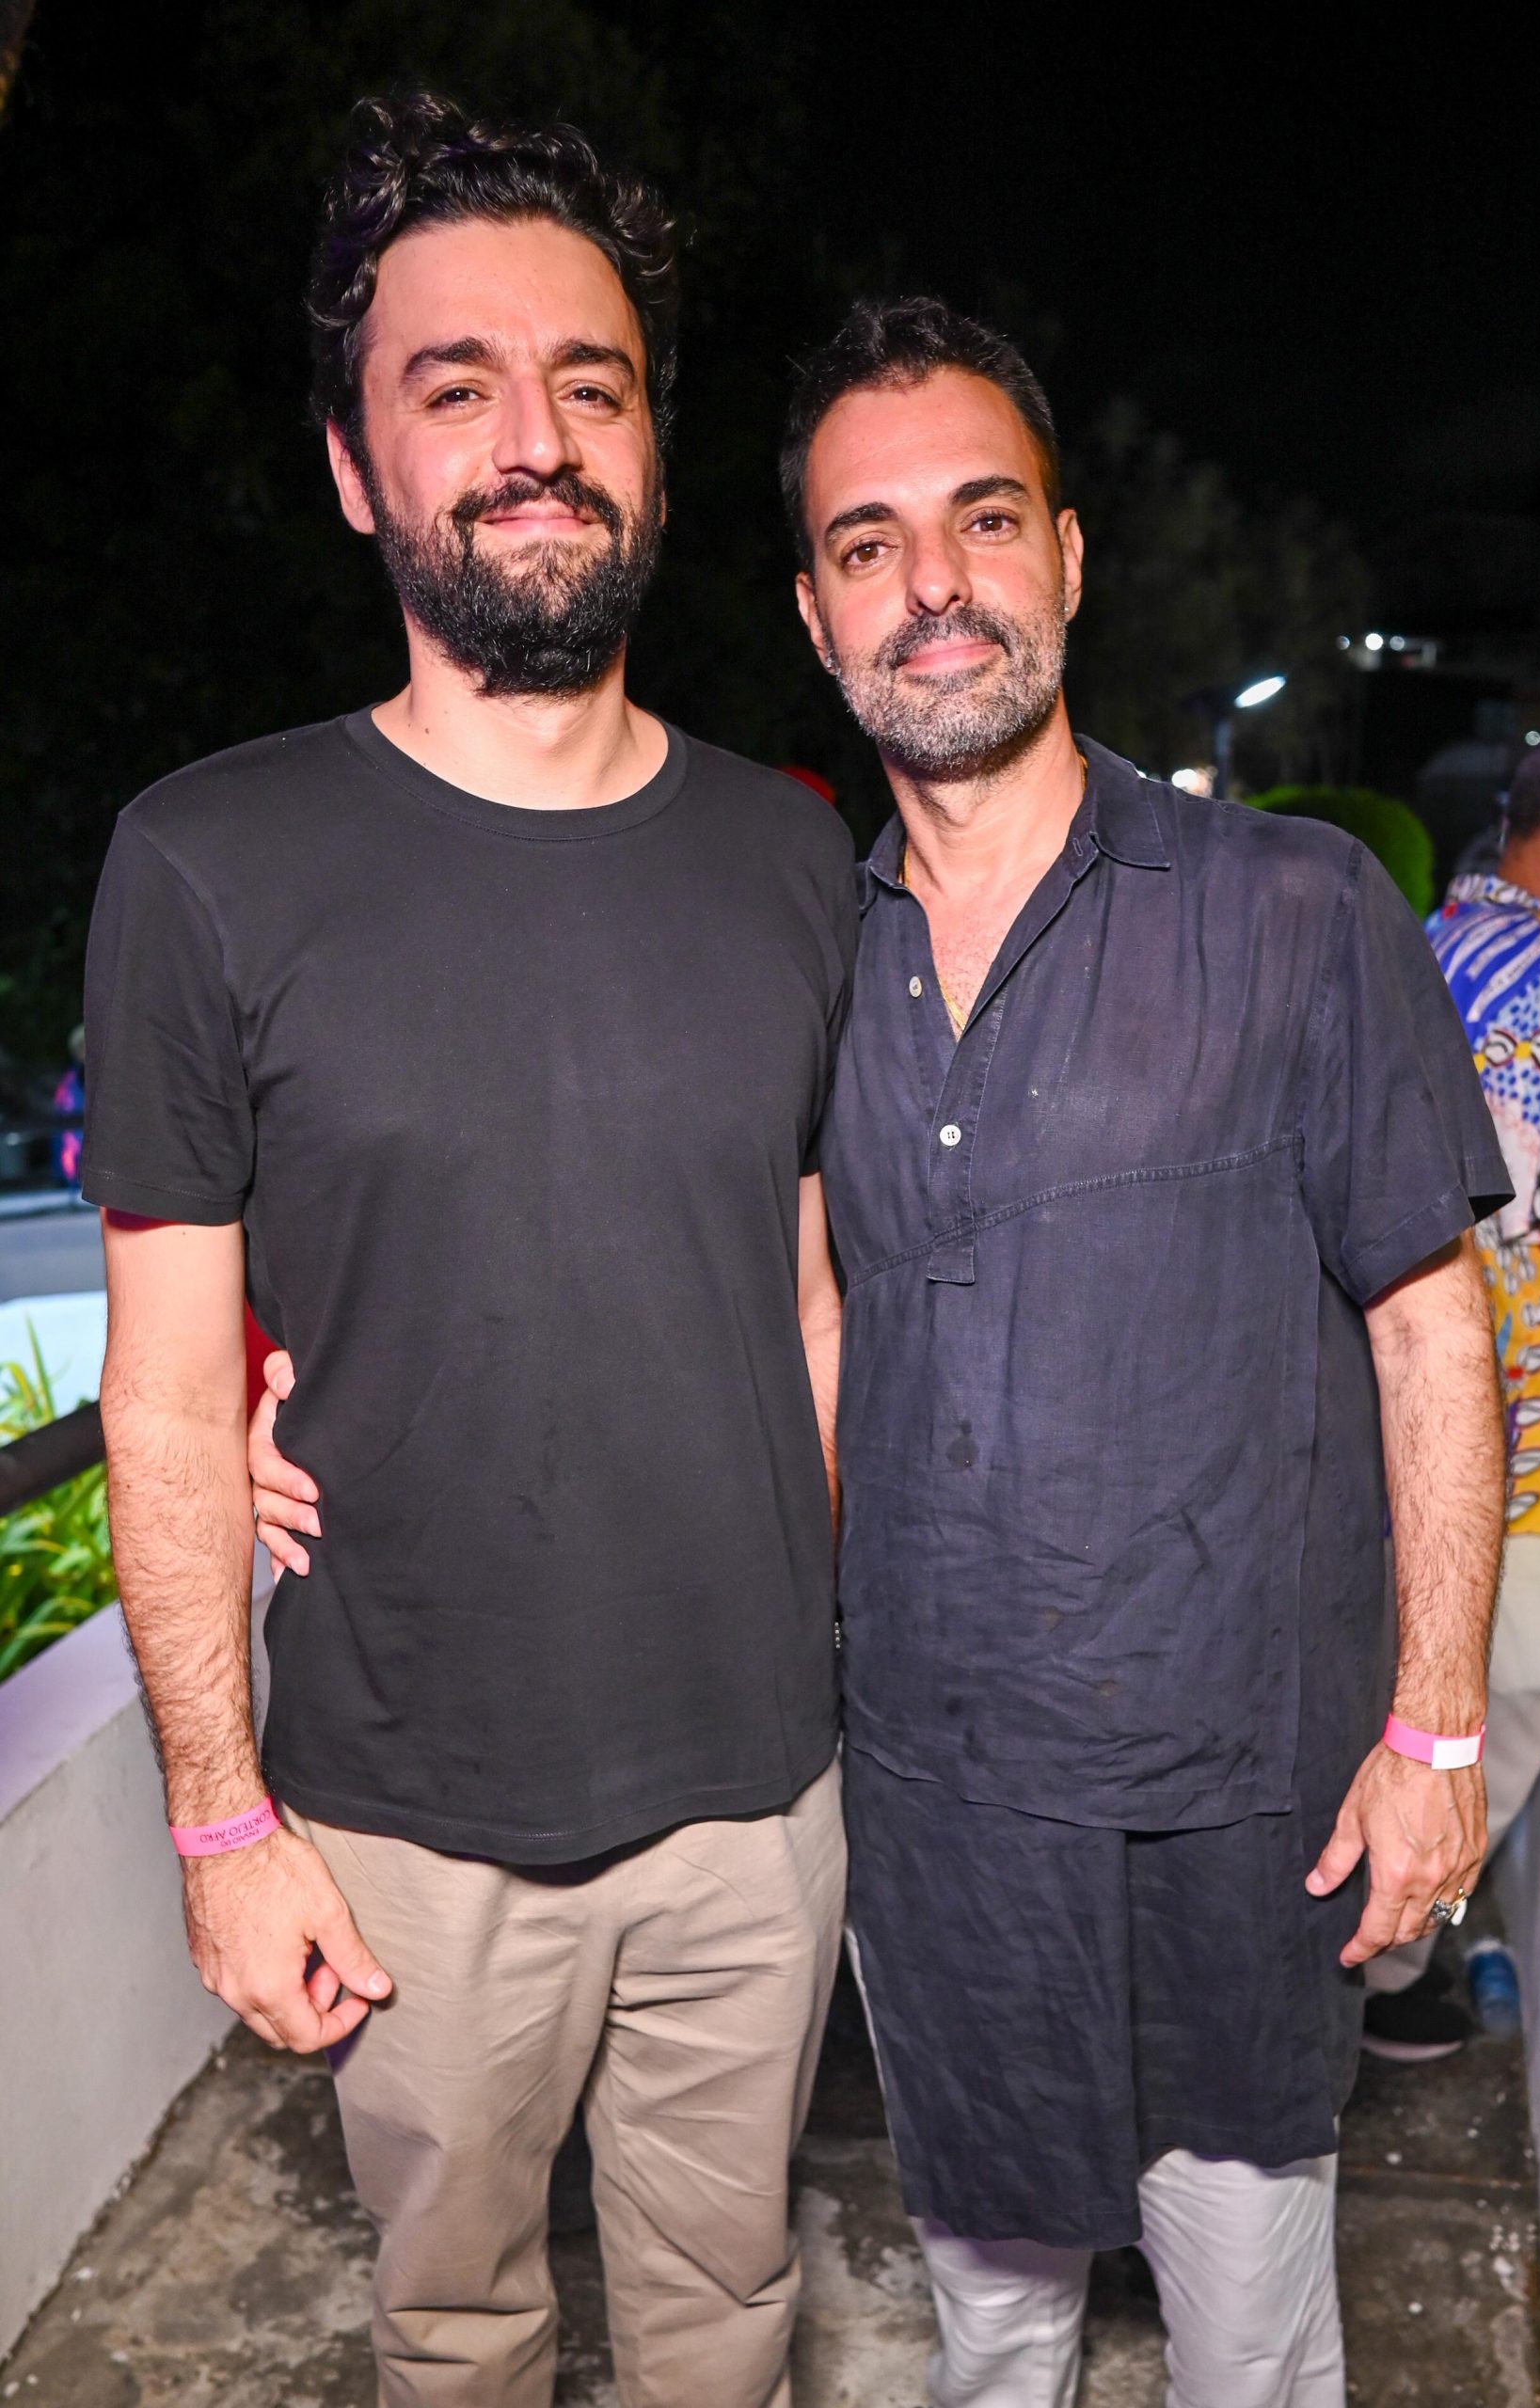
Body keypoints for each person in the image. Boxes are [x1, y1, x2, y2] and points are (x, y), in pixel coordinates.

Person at [256, 295, 1515, 2404]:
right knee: (988, 2337)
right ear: (814, 611)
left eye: (982, 519)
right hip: (931, 1819)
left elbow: (1430, 1325)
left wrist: (1440, 1731)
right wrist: (312, 1395)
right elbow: (660, 1256)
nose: (933, 583)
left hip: (1234, 1816)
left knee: (1251, 2342)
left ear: (1068, 556)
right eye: (867, 543)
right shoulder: (798, 950)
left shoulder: (1294, 912)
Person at [81, 94, 857, 2408]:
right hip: (402, 1818)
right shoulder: (205, 864)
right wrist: (223, 1823)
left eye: (589, 384)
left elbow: (813, 1303)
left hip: (759, 1803)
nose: (535, 440)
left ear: (650, 447)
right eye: (457, 386)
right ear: (356, 464)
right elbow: (163, 1386)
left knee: (730, 2317)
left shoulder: (792, 860)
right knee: (452, 2329)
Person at [1371, 705, 1540, 2045]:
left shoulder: (1441, 937)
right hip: (1517, 1426)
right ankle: (1378, 1974)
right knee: (1507, 1698)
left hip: (1407, 1401)